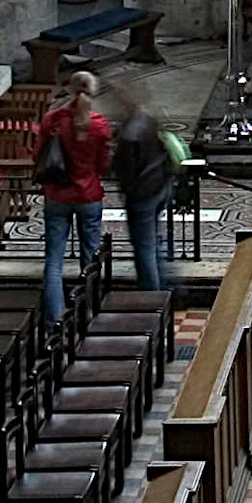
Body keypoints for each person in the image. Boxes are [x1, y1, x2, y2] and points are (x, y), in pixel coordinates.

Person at [35, 68, 115, 320]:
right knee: (90, 260)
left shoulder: (52, 120)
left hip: (57, 195)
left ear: (69, 89)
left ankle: (55, 320)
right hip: (88, 195)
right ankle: (89, 313)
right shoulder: (99, 125)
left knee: (54, 262)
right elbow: (103, 164)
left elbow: (39, 155)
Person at [111, 93, 179, 291]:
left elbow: (125, 169)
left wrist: (127, 189)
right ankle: (164, 285)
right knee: (153, 242)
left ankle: (152, 296)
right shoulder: (147, 121)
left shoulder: (128, 135)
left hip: (142, 194)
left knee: (144, 247)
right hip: (159, 186)